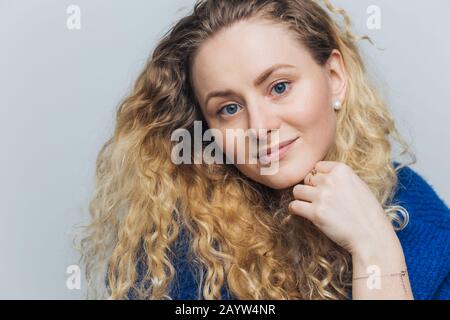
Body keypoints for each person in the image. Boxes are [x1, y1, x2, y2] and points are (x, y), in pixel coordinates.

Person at [79, 0, 450, 300]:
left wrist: (375, 248)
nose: (258, 128)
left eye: (279, 87)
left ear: (335, 78)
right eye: (229, 109)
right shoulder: (181, 256)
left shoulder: (420, 215)